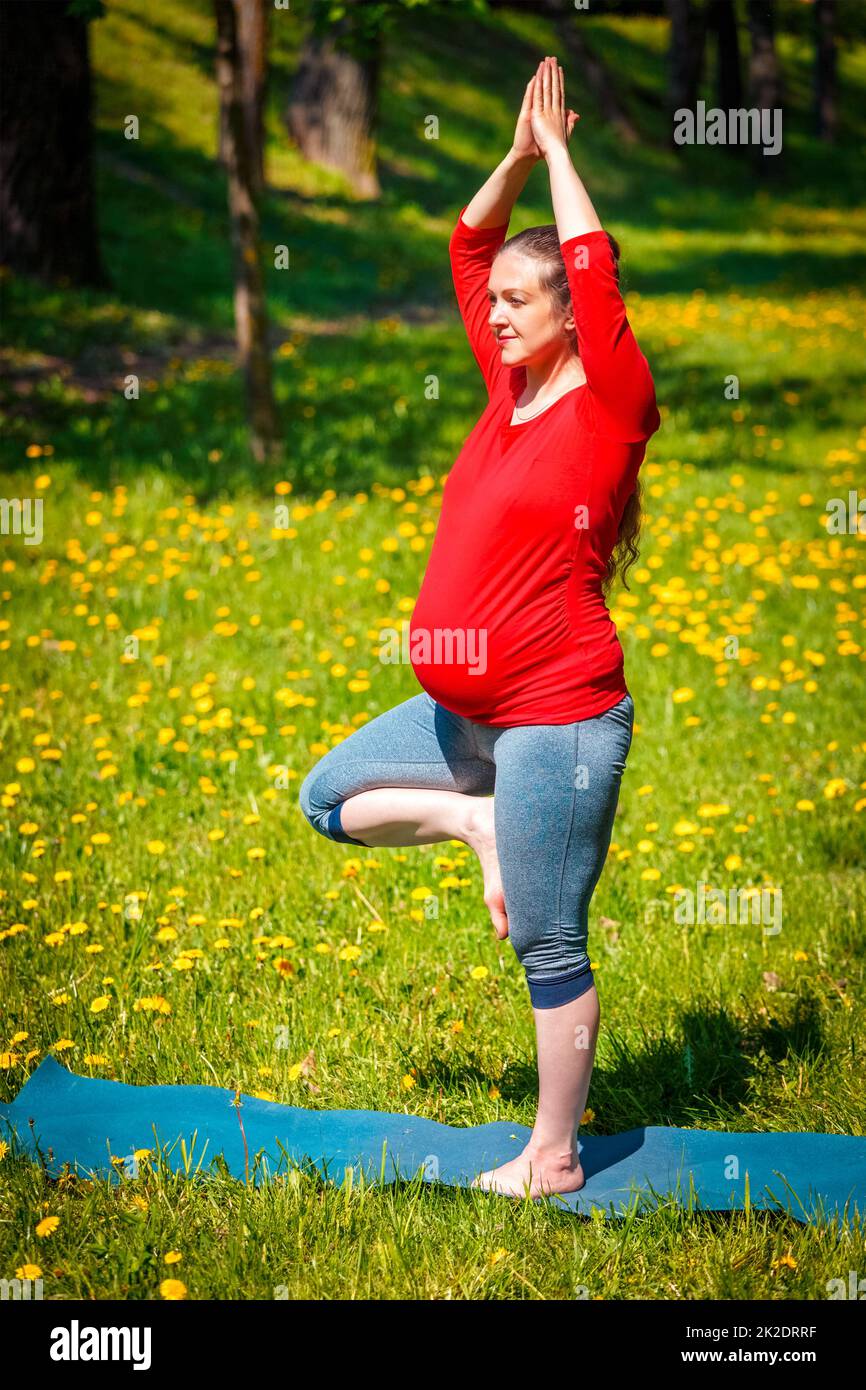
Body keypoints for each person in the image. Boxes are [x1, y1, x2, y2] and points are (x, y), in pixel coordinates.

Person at [299, 57, 660, 1198]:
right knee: (327, 799)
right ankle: (476, 819)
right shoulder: (509, 387)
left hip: (557, 720)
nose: (493, 313)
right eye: (494, 302)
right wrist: (509, 156)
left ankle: (553, 1154)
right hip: (464, 715)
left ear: (568, 316)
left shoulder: (609, 408)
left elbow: (593, 270)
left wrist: (558, 158)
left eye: (518, 301)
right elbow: (466, 247)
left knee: (547, 941)